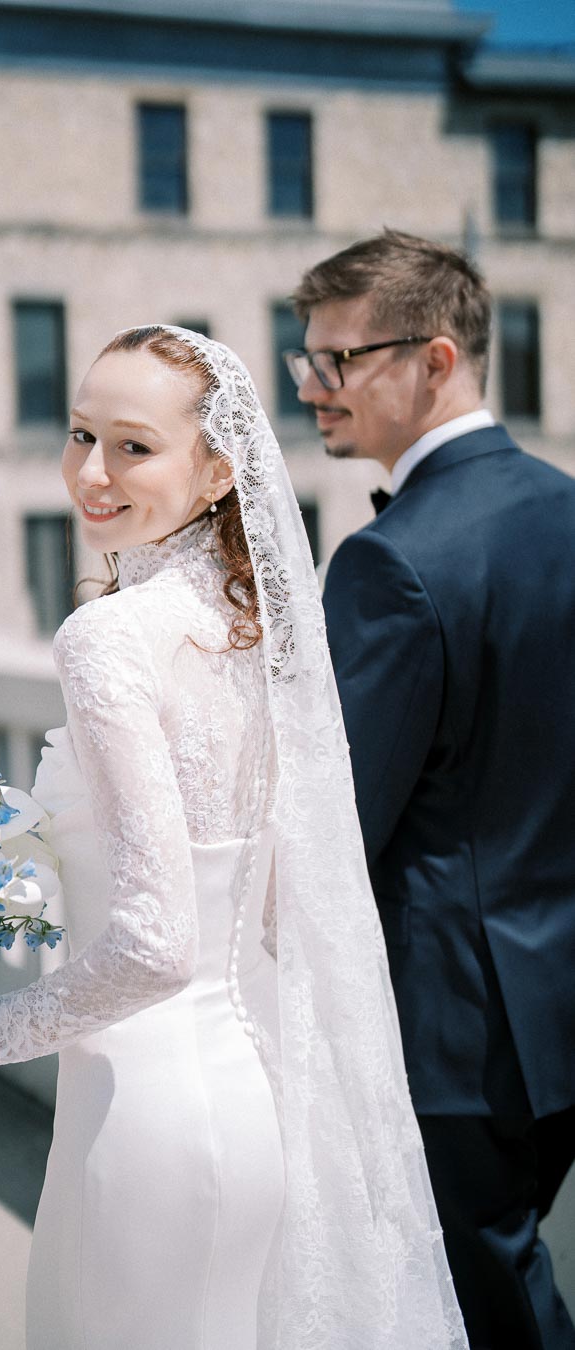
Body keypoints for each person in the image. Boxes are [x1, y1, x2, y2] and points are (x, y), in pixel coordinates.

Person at [0, 325, 466, 1349]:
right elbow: (263, 905)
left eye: (135, 446)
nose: (92, 472)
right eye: (81, 432)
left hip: (142, 1118)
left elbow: (152, 942)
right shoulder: (252, 629)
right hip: (245, 1097)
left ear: (219, 469)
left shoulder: (106, 641)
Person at [287, 229, 575, 1350]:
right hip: (552, 1006)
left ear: (437, 361)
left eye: (339, 361)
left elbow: (332, 825)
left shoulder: (393, 560)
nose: (313, 388)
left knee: (489, 1315)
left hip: (456, 1033)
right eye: (305, 357)